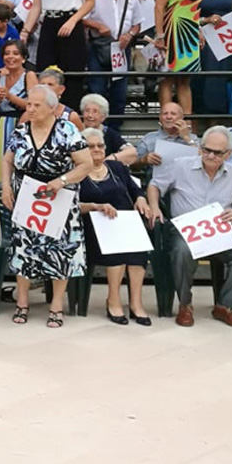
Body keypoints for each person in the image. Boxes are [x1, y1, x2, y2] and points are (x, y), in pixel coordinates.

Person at [0, 86, 94, 328]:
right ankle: (22, 302)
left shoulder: (67, 130)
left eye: (36, 105)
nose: (30, 109)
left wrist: (61, 181)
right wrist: (6, 187)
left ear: (52, 108)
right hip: (27, 194)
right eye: (29, 104)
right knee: (23, 248)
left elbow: (86, 164)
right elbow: (7, 159)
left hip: (59, 195)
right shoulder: (22, 130)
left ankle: (56, 305)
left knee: (59, 250)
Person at [146, 126, 232, 328]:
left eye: (217, 152)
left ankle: (225, 306)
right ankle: (185, 305)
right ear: (200, 148)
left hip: (219, 231)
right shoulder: (181, 166)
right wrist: (154, 207)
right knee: (181, 251)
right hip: (185, 231)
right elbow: (155, 185)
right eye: (206, 150)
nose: (211, 156)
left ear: (228, 154)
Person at [76, 127, 151, 325]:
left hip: (123, 223)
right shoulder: (76, 172)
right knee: (117, 250)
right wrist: (95, 206)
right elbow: (71, 205)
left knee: (138, 250)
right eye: (90, 146)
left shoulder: (116, 168)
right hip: (93, 226)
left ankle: (136, 303)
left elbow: (136, 190)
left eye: (100, 145)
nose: (97, 150)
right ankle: (114, 301)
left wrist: (141, 199)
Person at [21, 0, 95, 107]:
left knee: (72, 72)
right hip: (49, 23)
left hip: (70, 22)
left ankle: (71, 111)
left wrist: (73, 20)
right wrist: (25, 31)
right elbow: (36, 6)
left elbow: (90, 1)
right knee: (45, 70)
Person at [84, 0, 144, 122]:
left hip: (121, 47)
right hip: (99, 45)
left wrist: (130, 34)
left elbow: (137, 24)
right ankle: (95, 123)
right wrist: (97, 26)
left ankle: (115, 125)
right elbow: (82, 17)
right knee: (97, 87)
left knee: (120, 88)